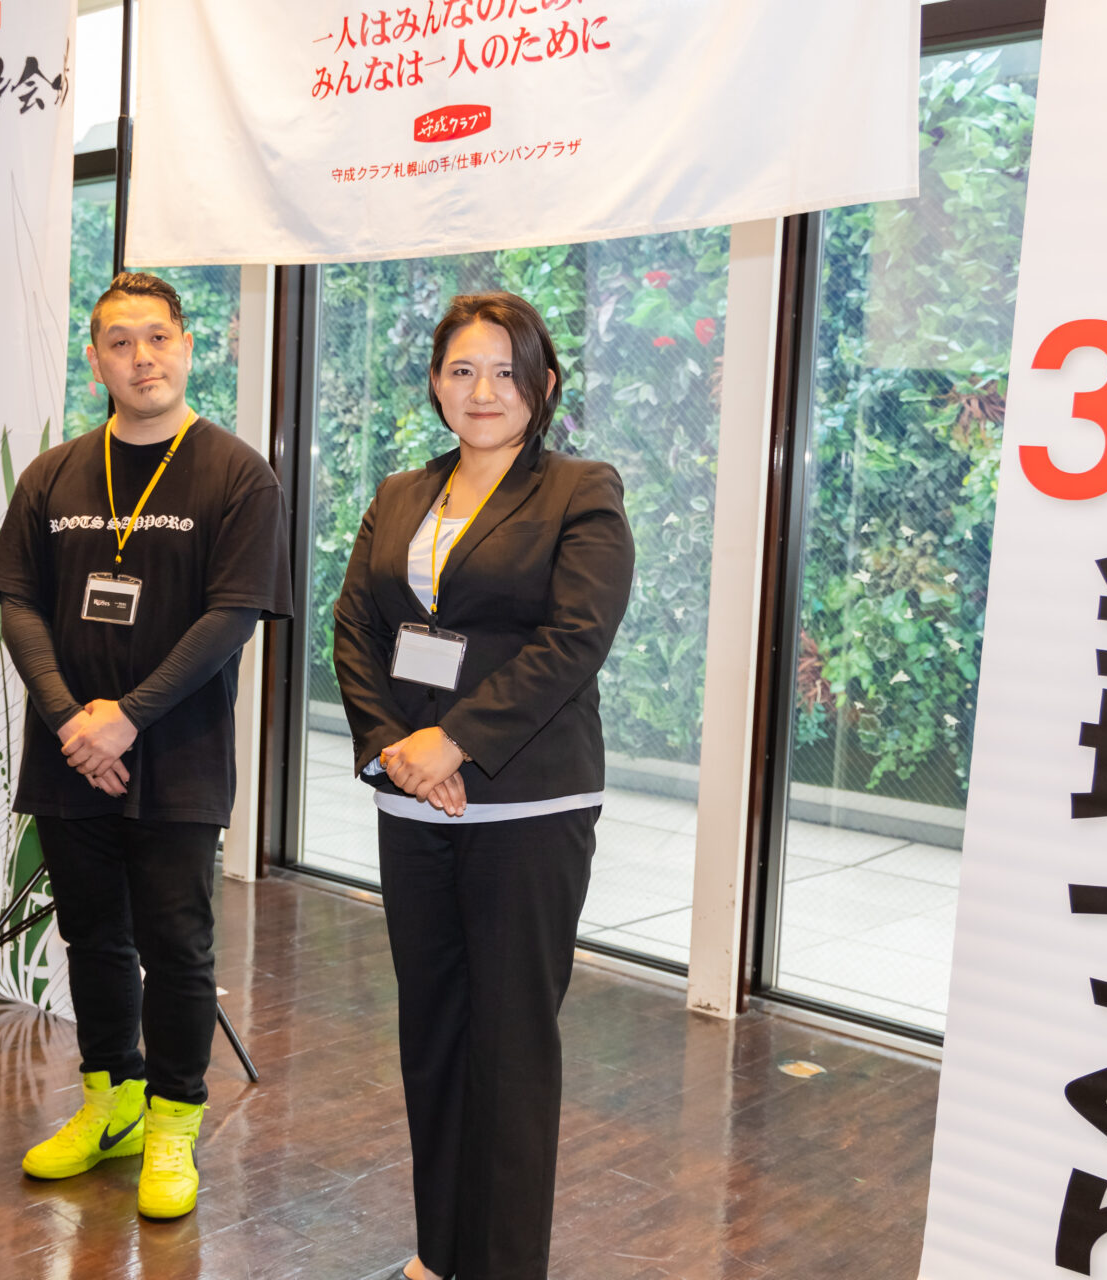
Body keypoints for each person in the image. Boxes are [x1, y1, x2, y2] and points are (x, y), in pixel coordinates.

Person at [333, 292, 635, 1280]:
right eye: (462, 370)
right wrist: (394, 748)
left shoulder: (581, 490)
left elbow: (574, 639)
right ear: (435, 383)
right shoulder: (400, 493)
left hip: (526, 801)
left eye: (506, 371)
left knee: (508, 1046)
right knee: (433, 1030)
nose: (484, 390)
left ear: (544, 384)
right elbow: (356, 629)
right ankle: (441, 1250)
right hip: (410, 795)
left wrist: (456, 741)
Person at [0, 272, 292, 1221]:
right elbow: (18, 604)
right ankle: (109, 1104)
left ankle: (172, 1124)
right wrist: (71, 719)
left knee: (178, 946)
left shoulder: (237, 474)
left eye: (157, 338)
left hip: (179, 755)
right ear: (95, 360)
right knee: (92, 938)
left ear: (187, 347)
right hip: (68, 751)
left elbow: (232, 617)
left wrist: (126, 717)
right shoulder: (54, 474)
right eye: (120, 342)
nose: (141, 358)